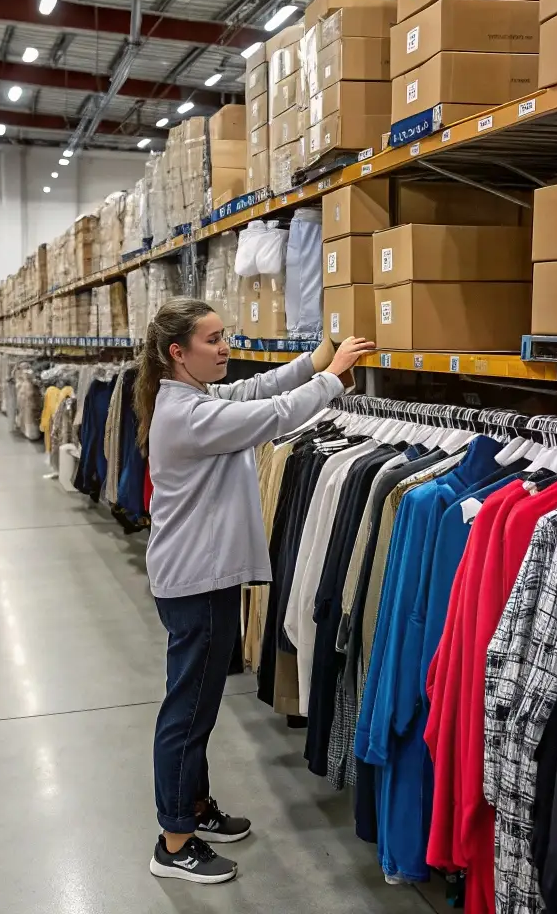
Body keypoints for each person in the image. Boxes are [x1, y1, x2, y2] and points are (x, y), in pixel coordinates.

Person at [133, 297, 375, 885]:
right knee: (187, 714)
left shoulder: (194, 397)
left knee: (199, 707)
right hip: (196, 582)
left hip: (200, 577)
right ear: (177, 353)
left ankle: (193, 808)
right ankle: (174, 841)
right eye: (213, 341)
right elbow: (273, 416)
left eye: (226, 336)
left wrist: (312, 360)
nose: (226, 349)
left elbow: (255, 391)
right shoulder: (188, 416)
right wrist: (331, 377)